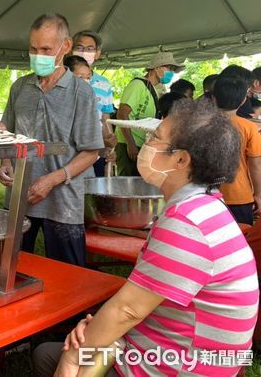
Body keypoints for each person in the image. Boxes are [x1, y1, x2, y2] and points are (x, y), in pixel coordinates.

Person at [33, 98, 258, 377]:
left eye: (156, 138)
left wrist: (74, 356)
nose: (147, 143)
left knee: (51, 358)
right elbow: (138, 302)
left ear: (180, 159)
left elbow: (127, 310)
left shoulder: (187, 224)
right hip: (179, 350)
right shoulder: (206, 205)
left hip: (178, 367)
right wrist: (99, 329)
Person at [0, 13, 103, 266]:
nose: (38, 55)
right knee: (13, 269)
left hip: (63, 201)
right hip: (20, 197)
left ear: (65, 47)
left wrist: (51, 181)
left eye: (46, 48)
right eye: (33, 48)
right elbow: (8, 138)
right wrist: (4, 164)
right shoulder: (20, 87)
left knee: (69, 277)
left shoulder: (81, 92)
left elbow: (91, 152)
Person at [115, 51, 183, 176]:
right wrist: (130, 144)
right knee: (128, 185)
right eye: (169, 68)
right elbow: (122, 114)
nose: (171, 72)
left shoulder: (153, 91)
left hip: (141, 144)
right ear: (157, 67)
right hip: (129, 144)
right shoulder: (137, 85)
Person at [213, 65, 261, 226]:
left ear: (213, 98)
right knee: (240, 242)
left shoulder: (201, 125)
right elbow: (255, 165)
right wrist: (259, 195)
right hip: (239, 195)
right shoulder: (249, 127)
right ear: (243, 100)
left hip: (206, 195)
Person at [72, 31, 116, 176]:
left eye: (90, 49)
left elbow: (105, 117)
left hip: (97, 149)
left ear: (97, 53)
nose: (84, 52)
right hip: (70, 151)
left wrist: (110, 145)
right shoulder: (62, 80)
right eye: (79, 47)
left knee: (94, 193)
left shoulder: (104, 84)